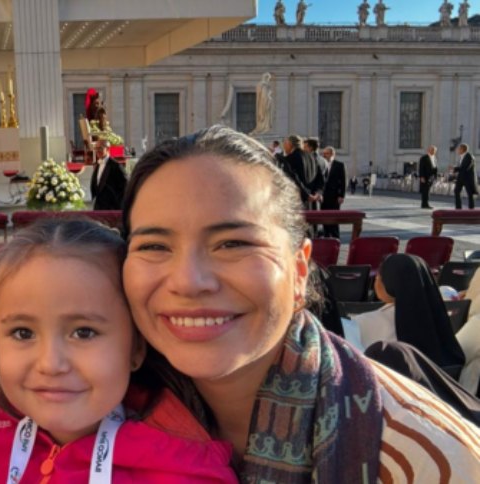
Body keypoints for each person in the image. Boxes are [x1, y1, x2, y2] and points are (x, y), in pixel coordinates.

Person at [121, 125, 480, 481]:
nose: (187, 281)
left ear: (299, 270)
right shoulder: (103, 413)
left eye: (233, 244)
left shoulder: (436, 464)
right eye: (154, 246)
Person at [0, 219, 235, 483]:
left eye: (84, 332)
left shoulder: (183, 471)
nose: (50, 363)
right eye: (23, 333)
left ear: (136, 347)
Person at [352, 254, 465, 372]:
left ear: (389, 283)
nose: (376, 281)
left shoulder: (363, 322)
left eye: (378, 277)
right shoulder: (439, 317)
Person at [90, 138, 127, 210]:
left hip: (111, 208)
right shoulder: (98, 164)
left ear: (107, 149)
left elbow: (125, 185)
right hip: (98, 207)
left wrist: (117, 203)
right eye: (96, 148)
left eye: (100, 148)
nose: (97, 151)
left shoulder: (116, 166)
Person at [320, 146, 346, 237]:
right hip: (323, 196)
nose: (324, 155)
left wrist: (341, 195)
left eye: (326, 153)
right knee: (324, 217)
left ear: (332, 154)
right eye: (323, 154)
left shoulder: (339, 165)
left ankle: (335, 237)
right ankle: (326, 235)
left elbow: (343, 181)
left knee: (334, 217)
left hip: (334, 196)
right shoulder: (321, 164)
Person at [453, 142, 477, 209]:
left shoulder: (469, 156)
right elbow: (461, 167)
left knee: (470, 193)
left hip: (467, 178)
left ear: (462, 149)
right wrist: (455, 169)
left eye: (459, 149)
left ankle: (471, 208)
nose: (458, 150)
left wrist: (454, 168)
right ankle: (458, 207)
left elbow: (465, 167)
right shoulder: (462, 156)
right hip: (461, 178)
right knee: (456, 191)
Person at [418, 145, 438, 209]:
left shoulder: (434, 158)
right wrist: (422, 177)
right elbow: (421, 168)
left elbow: (435, 168)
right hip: (425, 177)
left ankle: (425, 203)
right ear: (428, 150)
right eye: (432, 150)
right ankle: (424, 204)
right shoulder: (424, 158)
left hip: (431, 177)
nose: (433, 151)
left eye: (434, 150)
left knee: (428, 191)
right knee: (425, 191)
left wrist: (435, 177)